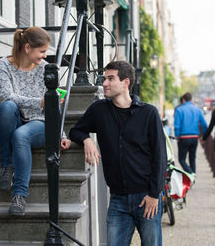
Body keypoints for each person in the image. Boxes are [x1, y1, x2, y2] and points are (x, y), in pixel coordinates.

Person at [69, 61, 167, 246]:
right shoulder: (99, 110)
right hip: (118, 200)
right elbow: (76, 131)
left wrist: (155, 194)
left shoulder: (148, 113)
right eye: (105, 78)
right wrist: (87, 140)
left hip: (147, 197)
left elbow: (160, 157)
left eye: (110, 78)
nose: (104, 83)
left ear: (125, 82)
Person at [0, 27, 71, 216]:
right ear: (27, 48)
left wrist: (60, 133)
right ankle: (7, 164)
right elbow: (6, 95)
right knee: (6, 107)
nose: (44, 56)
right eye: (42, 51)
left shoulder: (46, 69)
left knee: (21, 136)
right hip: (13, 117)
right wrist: (40, 101)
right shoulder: (3, 65)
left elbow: (54, 105)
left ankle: (19, 195)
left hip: (39, 121)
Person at [174, 92, 208, 175]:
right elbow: (204, 124)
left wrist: (177, 136)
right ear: (191, 99)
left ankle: (190, 174)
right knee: (192, 158)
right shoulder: (198, 110)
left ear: (183, 100)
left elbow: (177, 126)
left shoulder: (179, 110)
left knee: (182, 159)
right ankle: (193, 175)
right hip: (194, 138)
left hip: (183, 138)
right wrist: (203, 137)